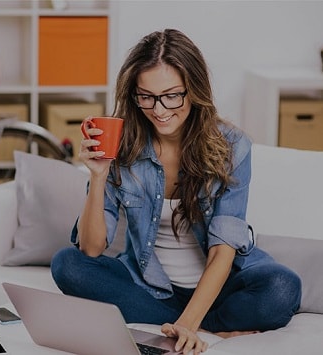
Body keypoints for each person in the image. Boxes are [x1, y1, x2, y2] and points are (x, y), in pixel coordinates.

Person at [50, 29, 301, 355]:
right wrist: (97, 176)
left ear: (194, 91)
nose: (159, 109)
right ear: (134, 95)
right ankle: (213, 328)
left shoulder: (232, 146)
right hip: (150, 287)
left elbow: (223, 252)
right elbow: (92, 248)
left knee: (282, 288)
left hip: (221, 286)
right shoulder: (122, 145)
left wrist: (186, 325)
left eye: (172, 95)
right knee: (66, 264)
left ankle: (185, 324)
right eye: (147, 96)